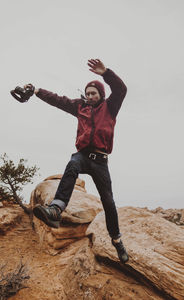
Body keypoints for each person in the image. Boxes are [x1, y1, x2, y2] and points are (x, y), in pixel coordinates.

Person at [30, 59, 129, 263]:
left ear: (101, 95)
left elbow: (121, 88)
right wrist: (37, 90)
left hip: (100, 161)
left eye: (94, 93)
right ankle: (56, 209)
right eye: (88, 93)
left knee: (109, 202)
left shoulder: (110, 107)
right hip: (83, 156)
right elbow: (58, 100)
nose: (91, 96)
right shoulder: (80, 107)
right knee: (73, 163)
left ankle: (117, 240)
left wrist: (106, 73)